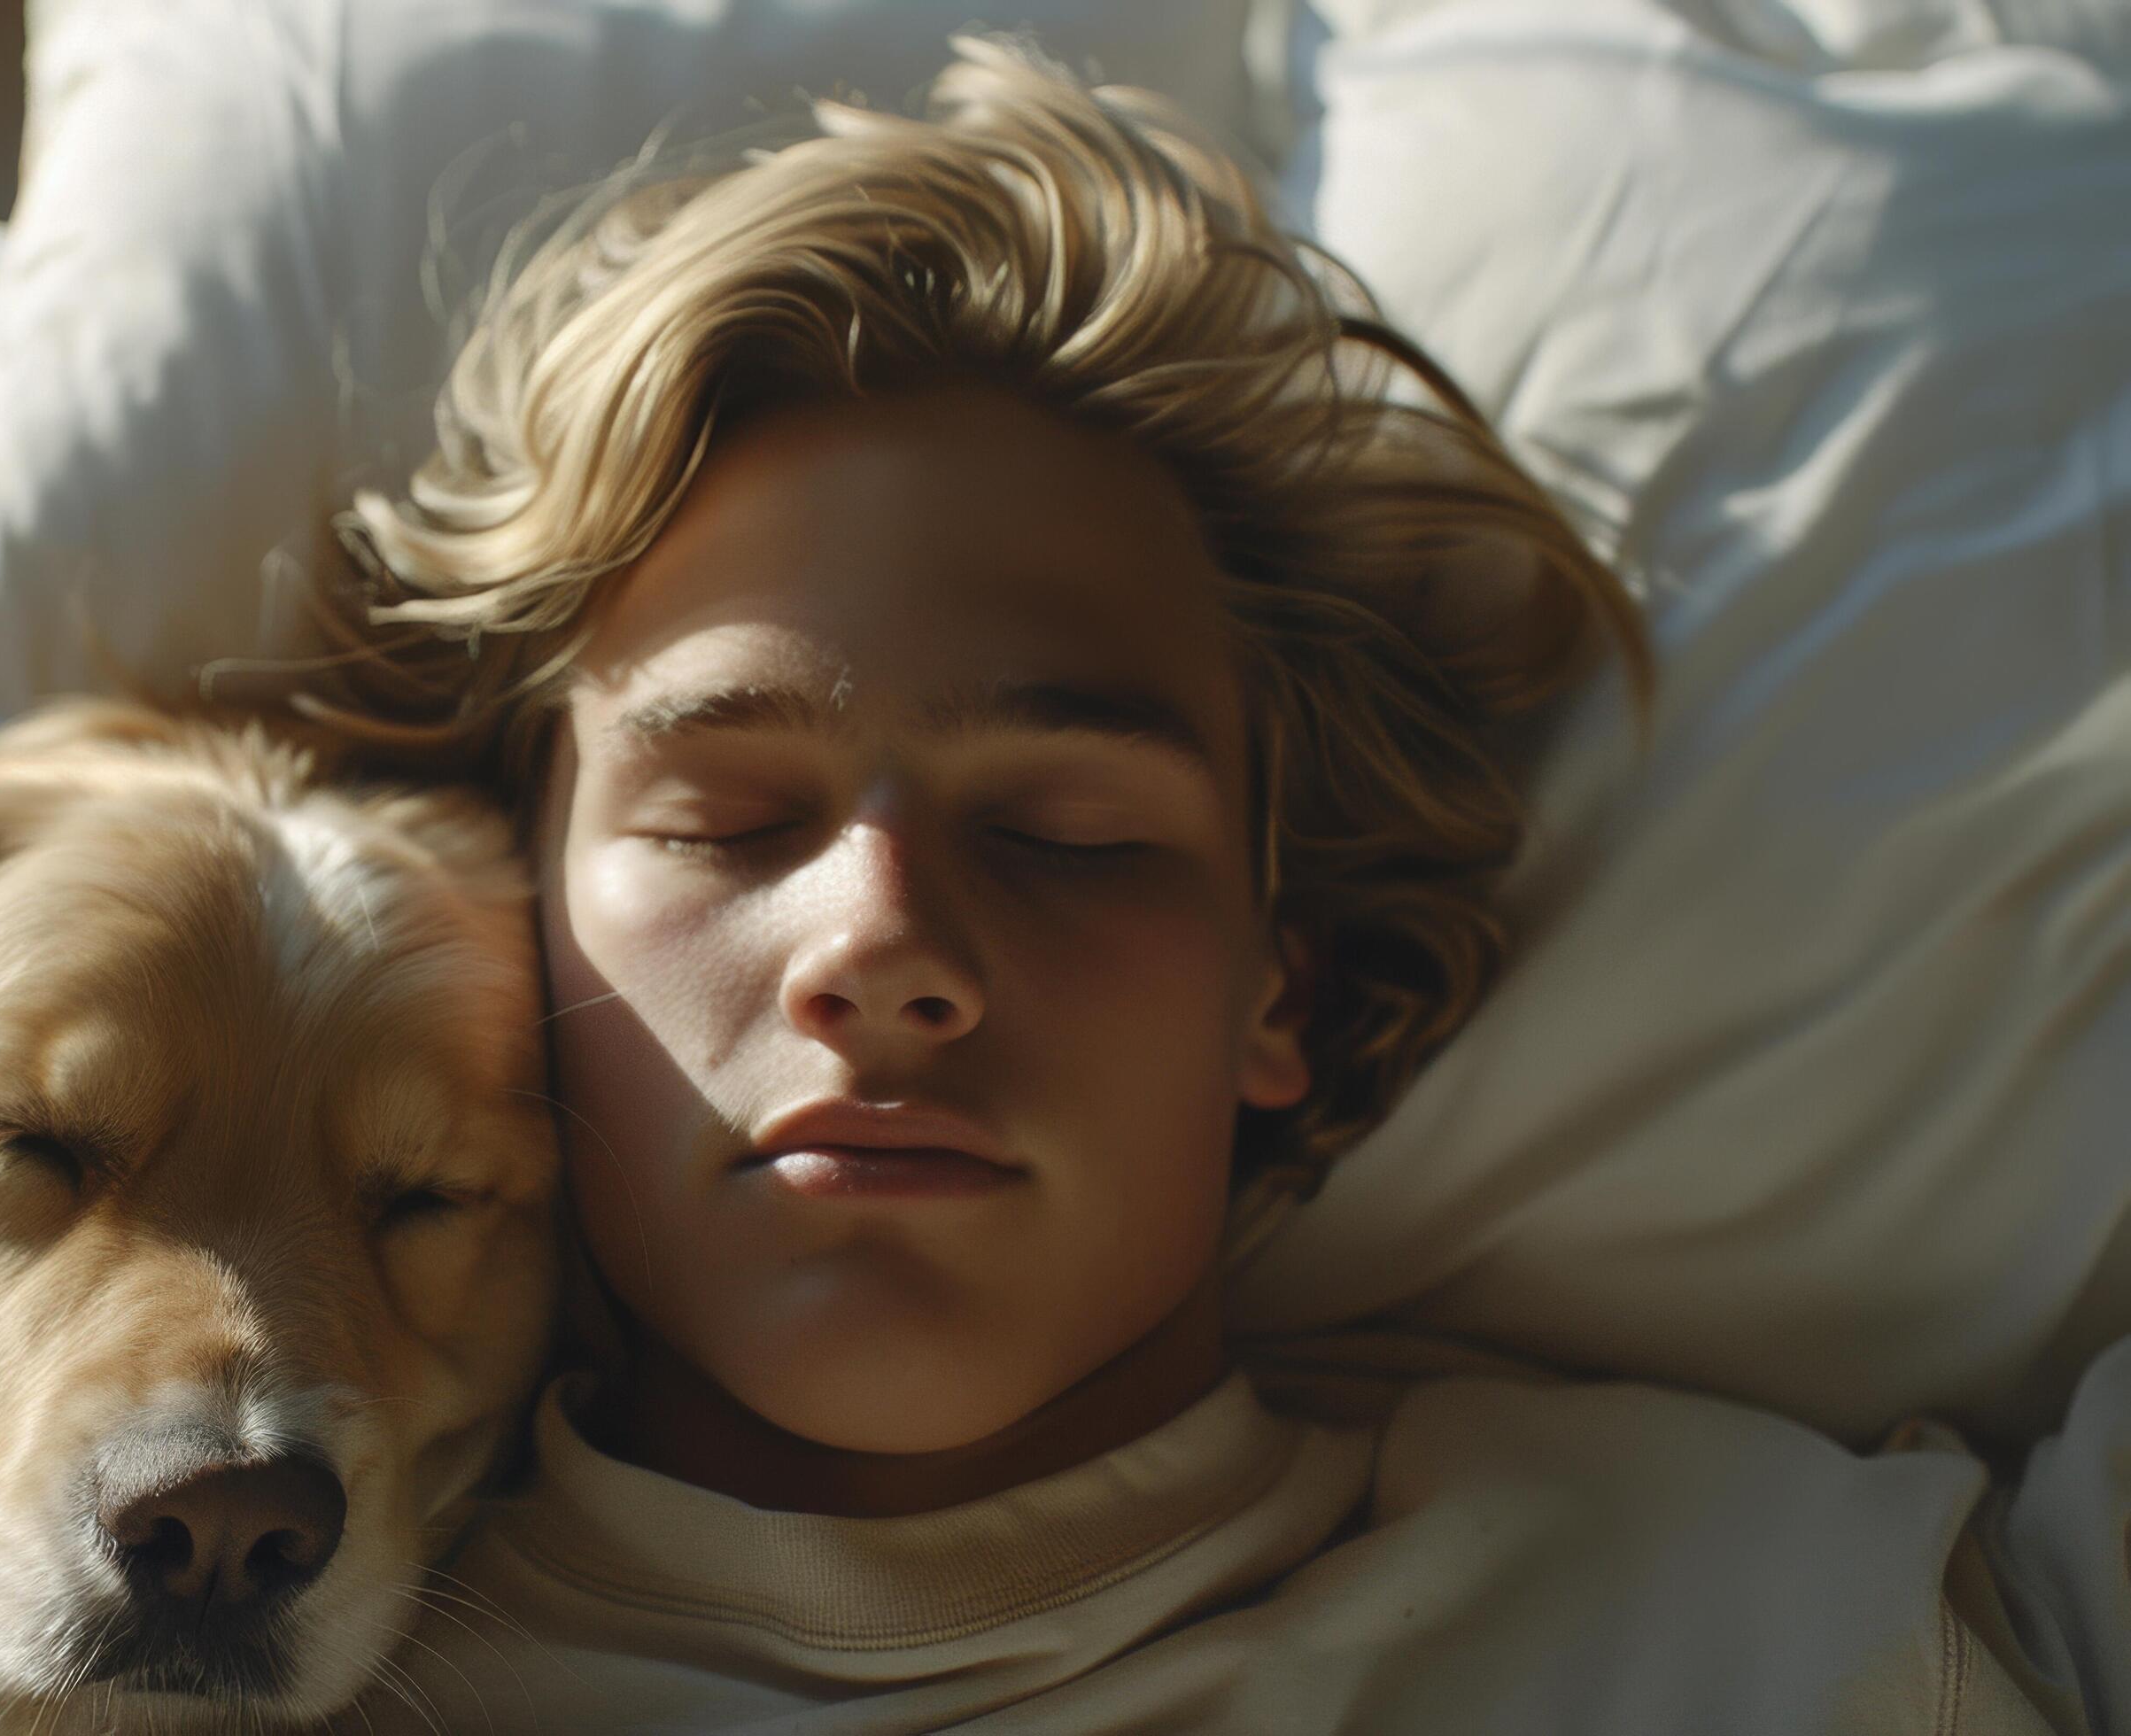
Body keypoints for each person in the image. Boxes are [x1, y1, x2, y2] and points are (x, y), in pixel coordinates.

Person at [298, 37, 2080, 1733]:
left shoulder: (1822, 1632)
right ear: (517, 930)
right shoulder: (154, 1632)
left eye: (1073, 831)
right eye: (733, 815)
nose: (884, 941)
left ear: (1276, 990)